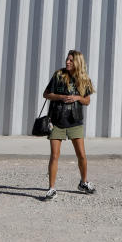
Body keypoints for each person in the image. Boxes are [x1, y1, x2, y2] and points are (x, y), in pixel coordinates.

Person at [42, 49, 96, 200]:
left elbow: (87, 101)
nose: (67, 62)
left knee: (82, 156)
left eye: (71, 60)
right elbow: (46, 94)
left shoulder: (84, 79)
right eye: (67, 59)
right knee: (54, 156)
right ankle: (51, 188)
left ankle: (83, 182)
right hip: (57, 121)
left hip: (75, 122)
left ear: (77, 62)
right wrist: (61, 96)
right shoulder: (58, 75)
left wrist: (77, 97)